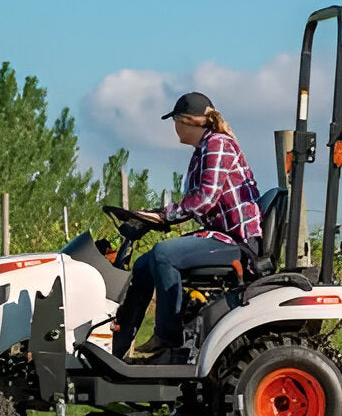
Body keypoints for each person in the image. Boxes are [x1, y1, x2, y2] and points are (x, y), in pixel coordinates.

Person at [112, 92, 262, 363]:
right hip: (218, 236)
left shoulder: (218, 144)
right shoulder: (203, 149)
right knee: (144, 264)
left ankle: (168, 338)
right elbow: (197, 203)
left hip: (235, 242)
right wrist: (158, 216)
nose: (174, 128)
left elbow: (205, 198)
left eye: (175, 121)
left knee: (164, 254)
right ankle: (118, 349)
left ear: (187, 121)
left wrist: (165, 216)